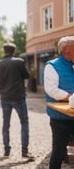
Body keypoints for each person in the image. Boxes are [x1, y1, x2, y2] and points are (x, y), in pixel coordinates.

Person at [0, 43, 34, 160]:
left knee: (6, 124)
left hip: (5, 98)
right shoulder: (19, 62)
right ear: (14, 51)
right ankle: (25, 151)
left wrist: (1, 92)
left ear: (4, 51)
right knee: (24, 122)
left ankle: (6, 151)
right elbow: (26, 75)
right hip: (18, 97)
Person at [43, 36, 74, 169]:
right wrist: (71, 97)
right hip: (60, 117)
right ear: (67, 49)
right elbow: (52, 90)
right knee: (58, 150)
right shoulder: (52, 66)